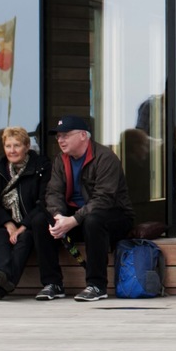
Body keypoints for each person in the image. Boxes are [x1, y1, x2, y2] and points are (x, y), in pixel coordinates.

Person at [38, 115, 135, 302]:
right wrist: (58, 216)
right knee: (41, 220)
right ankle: (52, 284)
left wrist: (74, 220)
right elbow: (53, 192)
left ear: (83, 135)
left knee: (94, 220)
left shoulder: (105, 158)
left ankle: (97, 285)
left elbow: (104, 199)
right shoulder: (60, 160)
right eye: (58, 136)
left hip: (114, 215)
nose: (60, 140)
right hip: (77, 217)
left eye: (66, 135)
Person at [0, 125, 50, 300]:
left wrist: (22, 226)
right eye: (8, 146)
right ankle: (2, 277)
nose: (12, 150)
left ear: (27, 146)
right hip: (7, 222)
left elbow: (44, 201)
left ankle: (3, 281)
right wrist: (8, 224)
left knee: (25, 238)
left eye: (17, 145)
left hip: (31, 223)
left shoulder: (41, 167)